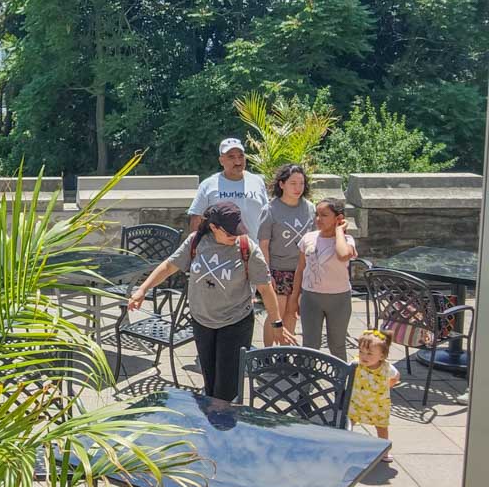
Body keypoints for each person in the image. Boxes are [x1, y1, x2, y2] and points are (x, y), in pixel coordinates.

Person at [128, 202, 293, 402]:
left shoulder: (247, 248)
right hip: (202, 321)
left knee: (226, 389)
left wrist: (276, 323)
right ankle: (214, 421)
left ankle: (224, 424)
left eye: (238, 230)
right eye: (230, 232)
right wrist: (143, 289)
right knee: (210, 380)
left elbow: (266, 289)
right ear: (214, 227)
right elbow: (168, 266)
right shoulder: (196, 241)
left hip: (235, 322)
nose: (236, 235)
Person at [286, 197, 358, 360]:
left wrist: (339, 231)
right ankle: (306, 382)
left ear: (338, 218)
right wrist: (294, 297)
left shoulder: (347, 241)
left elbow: (343, 255)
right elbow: (300, 269)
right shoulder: (308, 238)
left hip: (339, 299)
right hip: (311, 298)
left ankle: (341, 382)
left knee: (337, 345)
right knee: (310, 344)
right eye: (317, 215)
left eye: (324, 215)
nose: (319, 219)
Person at [257, 164, 315, 347]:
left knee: (292, 312)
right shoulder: (271, 209)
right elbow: (263, 245)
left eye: (301, 183)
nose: (298, 188)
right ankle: (266, 354)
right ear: (281, 184)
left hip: (301, 270)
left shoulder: (310, 208)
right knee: (277, 313)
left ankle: (284, 353)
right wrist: (267, 274)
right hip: (278, 269)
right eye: (293, 183)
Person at [188, 137, 269, 239]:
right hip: (221, 251)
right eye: (231, 157)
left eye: (241, 156)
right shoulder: (208, 185)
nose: (237, 161)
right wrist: (196, 247)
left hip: (254, 250)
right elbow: (196, 217)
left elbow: (267, 217)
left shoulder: (257, 181)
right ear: (221, 160)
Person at [348, 329, 400, 462]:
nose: (364, 356)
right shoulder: (356, 364)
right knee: (348, 423)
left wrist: (388, 385)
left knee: (381, 428)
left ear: (382, 356)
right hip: (357, 402)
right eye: (361, 351)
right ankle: (345, 444)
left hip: (379, 404)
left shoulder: (387, 368)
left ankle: (384, 451)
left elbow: (396, 376)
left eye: (369, 353)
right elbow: (347, 373)